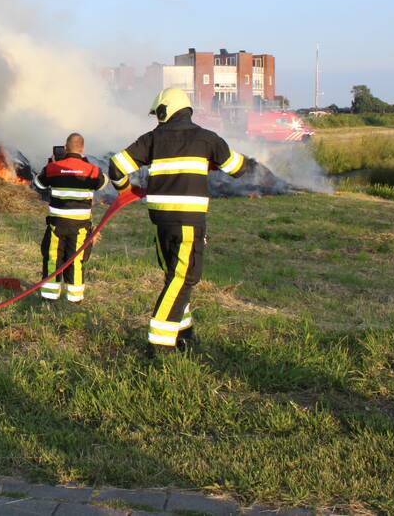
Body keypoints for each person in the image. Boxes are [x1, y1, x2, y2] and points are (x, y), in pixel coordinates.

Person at [108, 88, 249, 354]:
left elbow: (116, 166)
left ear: (165, 110)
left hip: (161, 221)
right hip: (188, 221)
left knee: (174, 276)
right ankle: (159, 345)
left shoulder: (151, 139)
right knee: (184, 278)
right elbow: (237, 168)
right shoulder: (207, 139)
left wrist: (125, 189)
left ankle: (183, 332)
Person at [32, 133, 107, 302]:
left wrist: (51, 163)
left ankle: (49, 298)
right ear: (83, 150)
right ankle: (74, 300)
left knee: (52, 258)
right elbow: (103, 182)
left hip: (57, 225)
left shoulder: (53, 168)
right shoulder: (93, 170)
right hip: (80, 226)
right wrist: (85, 164)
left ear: (65, 149)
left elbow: (38, 183)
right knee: (76, 260)